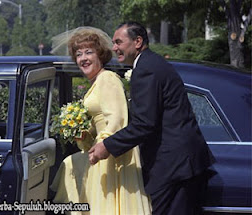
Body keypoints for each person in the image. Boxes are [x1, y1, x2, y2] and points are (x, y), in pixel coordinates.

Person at [89, 21, 215, 215]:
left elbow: (144, 124)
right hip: (181, 162)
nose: (114, 48)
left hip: (174, 166)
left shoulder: (146, 69)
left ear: (137, 41)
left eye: (119, 42)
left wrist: (107, 146)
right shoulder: (152, 63)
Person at [50, 27, 152, 214]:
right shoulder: (96, 82)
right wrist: (82, 133)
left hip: (112, 153)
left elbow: (117, 118)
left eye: (89, 52)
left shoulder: (107, 78)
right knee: (69, 164)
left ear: (100, 55)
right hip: (102, 148)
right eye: (79, 54)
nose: (83, 58)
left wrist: (103, 144)